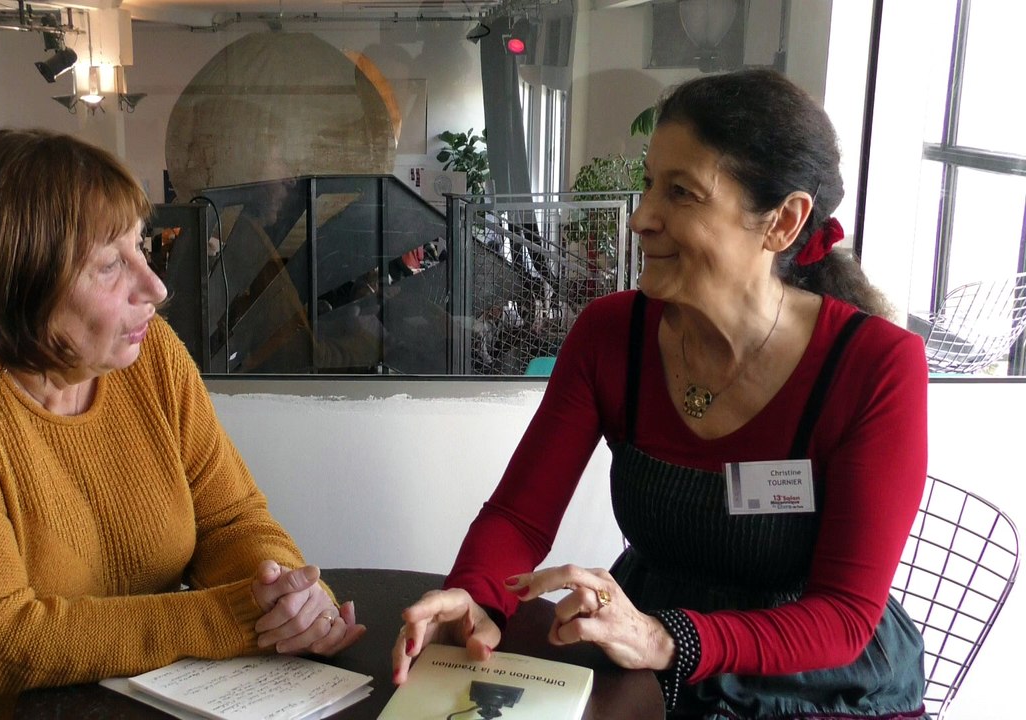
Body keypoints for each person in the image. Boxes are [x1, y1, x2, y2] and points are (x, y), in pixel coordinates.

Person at [392, 69, 929, 719]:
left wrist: (663, 636)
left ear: (783, 222)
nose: (642, 217)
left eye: (682, 193)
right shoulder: (611, 335)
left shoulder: (875, 367)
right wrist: (476, 594)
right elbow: (520, 516)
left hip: (807, 675)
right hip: (642, 653)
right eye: (649, 184)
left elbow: (844, 616)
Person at [0, 129, 364, 719]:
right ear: (13, 282)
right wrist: (232, 617)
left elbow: (230, 517)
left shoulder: (144, 352)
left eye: (142, 248)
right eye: (110, 265)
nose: (156, 288)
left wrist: (285, 595)